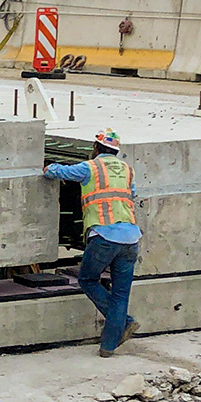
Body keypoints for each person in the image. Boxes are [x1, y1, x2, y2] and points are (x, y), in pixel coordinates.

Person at [44, 128, 142, 357]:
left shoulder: (91, 167)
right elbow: (132, 194)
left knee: (87, 279)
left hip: (104, 237)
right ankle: (108, 346)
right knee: (120, 293)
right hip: (131, 238)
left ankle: (124, 322)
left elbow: (61, 172)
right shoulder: (128, 170)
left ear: (95, 149)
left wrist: (48, 168)